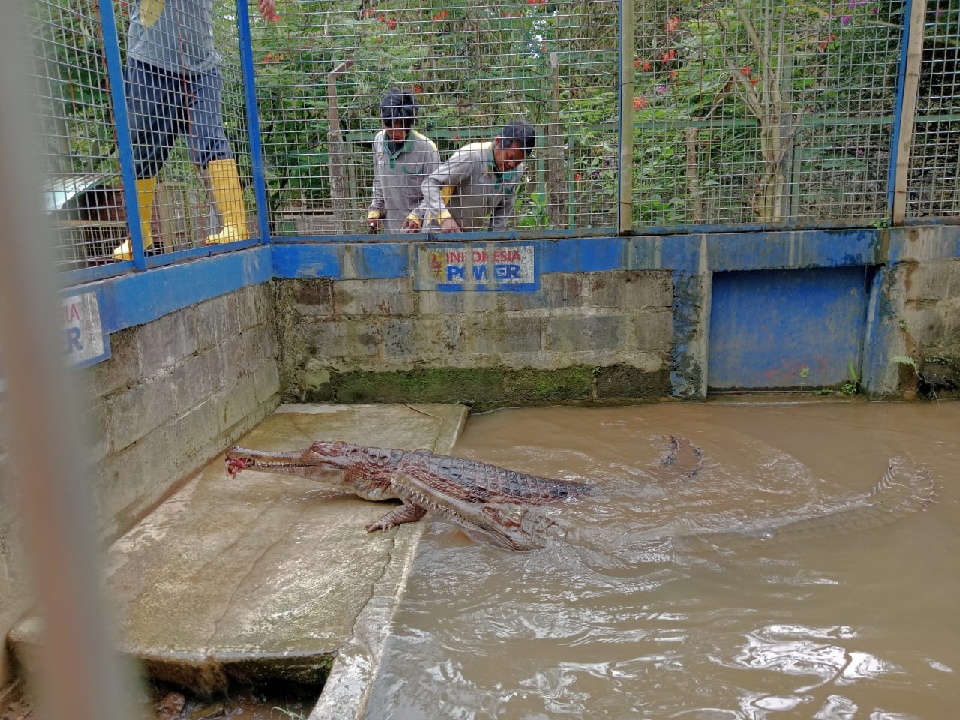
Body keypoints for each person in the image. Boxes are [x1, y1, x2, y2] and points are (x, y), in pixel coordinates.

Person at [112, 0, 277, 261]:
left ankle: (235, 225)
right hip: (148, 62)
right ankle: (138, 236)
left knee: (210, 137)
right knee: (142, 151)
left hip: (202, 67)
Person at [420, 119, 536, 233]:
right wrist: (444, 218)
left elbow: (504, 209)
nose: (512, 164)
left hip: (469, 236)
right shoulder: (471, 156)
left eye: (518, 161)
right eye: (510, 157)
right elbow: (430, 183)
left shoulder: (517, 171)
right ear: (497, 142)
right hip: (439, 230)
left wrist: (495, 243)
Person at [366, 88, 440, 234]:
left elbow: (436, 192)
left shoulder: (426, 149)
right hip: (392, 231)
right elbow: (379, 181)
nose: (395, 134)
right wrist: (376, 208)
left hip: (420, 232)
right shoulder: (379, 141)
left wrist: (418, 215)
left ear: (409, 123)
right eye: (390, 128)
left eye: (399, 129)